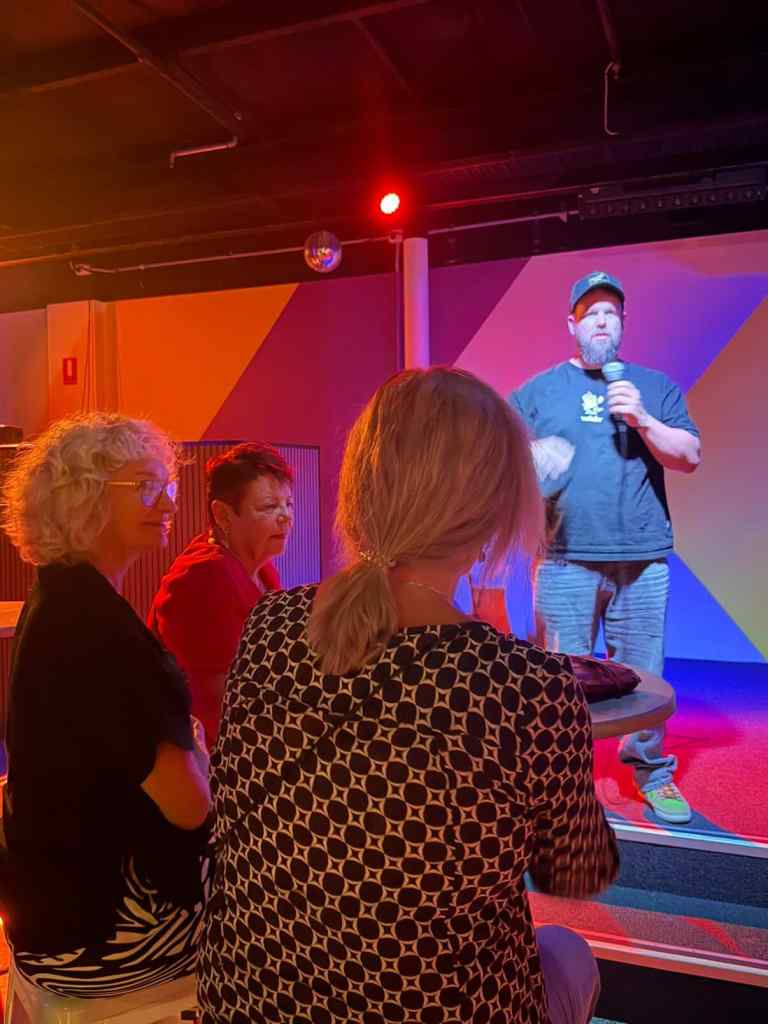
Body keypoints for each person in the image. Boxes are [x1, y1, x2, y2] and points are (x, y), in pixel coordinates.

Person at [198, 367, 619, 1024]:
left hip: (253, 1005)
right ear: (494, 507)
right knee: (568, 951)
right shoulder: (526, 686)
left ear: (363, 489)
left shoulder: (272, 624)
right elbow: (578, 873)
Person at [0, 413, 211, 998]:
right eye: (145, 487)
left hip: (46, 910)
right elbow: (190, 808)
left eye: (165, 486)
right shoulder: (97, 631)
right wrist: (200, 751)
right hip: (102, 938)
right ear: (82, 497)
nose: (167, 504)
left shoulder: (57, 597)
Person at [511, 271, 701, 825]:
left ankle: (651, 773)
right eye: (590, 311)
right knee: (559, 684)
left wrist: (641, 418)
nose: (601, 319)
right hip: (565, 557)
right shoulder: (537, 392)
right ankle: (564, 789)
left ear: (622, 324)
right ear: (571, 324)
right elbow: (507, 462)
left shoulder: (653, 386)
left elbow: (688, 455)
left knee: (644, 678)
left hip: (641, 560)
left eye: (611, 312)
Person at [149, 442, 294, 748]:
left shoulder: (261, 567)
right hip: (212, 753)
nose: (285, 517)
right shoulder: (202, 575)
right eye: (269, 507)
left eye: (288, 504)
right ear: (224, 515)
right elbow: (218, 696)